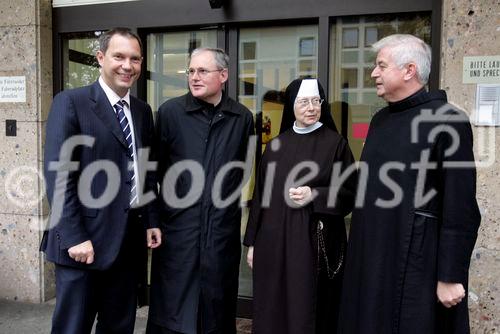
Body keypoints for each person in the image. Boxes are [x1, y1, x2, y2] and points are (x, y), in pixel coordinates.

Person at [338, 34, 481, 333]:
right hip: (372, 255)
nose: (373, 73)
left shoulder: (449, 121)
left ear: (409, 70)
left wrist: (450, 275)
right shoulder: (379, 120)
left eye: (381, 66)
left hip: (416, 261)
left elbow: (461, 206)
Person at [42, 27, 162, 333]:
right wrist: (73, 236)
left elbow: (143, 171)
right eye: (118, 56)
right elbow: (58, 174)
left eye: (134, 59)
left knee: (119, 327)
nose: (127, 65)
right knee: (73, 327)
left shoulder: (142, 111)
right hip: (83, 243)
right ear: (100, 58)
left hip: (128, 243)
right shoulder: (71, 102)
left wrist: (150, 219)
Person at [147, 47, 255, 334]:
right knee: (173, 310)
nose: (194, 77)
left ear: (223, 75)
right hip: (177, 231)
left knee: (216, 309)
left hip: (221, 232)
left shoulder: (242, 118)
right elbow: (151, 173)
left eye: (202, 71)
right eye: (190, 71)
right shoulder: (170, 113)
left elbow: (241, 172)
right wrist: (153, 220)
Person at [243, 78, 357, 334]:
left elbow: (350, 192)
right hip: (274, 241)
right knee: (273, 303)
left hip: (313, 242)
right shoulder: (274, 146)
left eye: (316, 101)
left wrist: (315, 195)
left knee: (306, 305)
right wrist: (252, 242)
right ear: (292, 106)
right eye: (303, 102)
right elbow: (261, 195)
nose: (311, 107)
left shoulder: (336, 144)